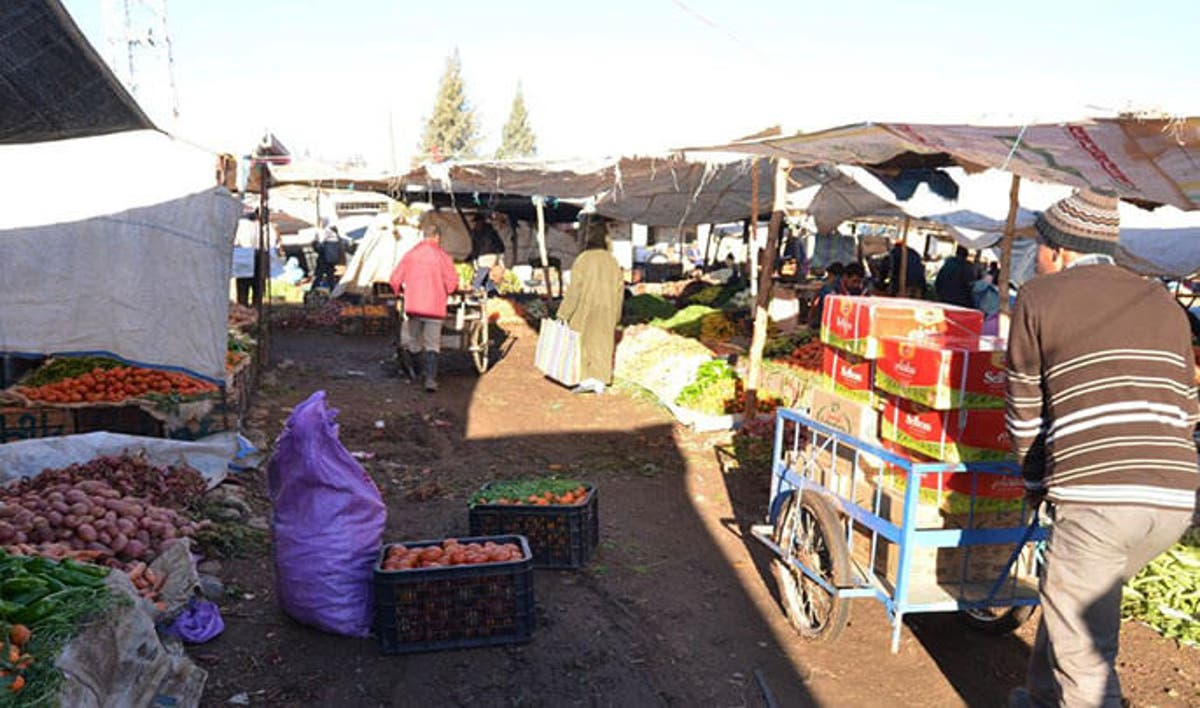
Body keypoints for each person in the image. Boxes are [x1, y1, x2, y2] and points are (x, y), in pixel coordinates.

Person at [1006, 189, 1198, 708]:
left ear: (1061, 249)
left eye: (1040, 247)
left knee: (1086, 653)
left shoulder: (1038, 297)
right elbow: (1190, 407)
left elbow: (1025, 410)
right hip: (1174, 499)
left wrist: (1032, 482)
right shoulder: (1163, 302)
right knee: (1073, 600)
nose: (1037, 258)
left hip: (1099, 497)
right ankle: (1040, 697)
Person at [389, 219, 459, 392]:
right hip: (435, 308)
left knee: (414, 341)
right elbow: (452, 283)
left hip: (414, 306)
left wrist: (398, 292)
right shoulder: (442, 257)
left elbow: (395, 279)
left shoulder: (411, 254)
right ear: (437, 237)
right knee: (432, 344)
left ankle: (417, 373)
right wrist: (448, 291)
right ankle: (430, 379)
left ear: (423, 236)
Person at [557, 219, 625, 394]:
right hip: (608, 308)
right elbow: (620, 291)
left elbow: (574, 290)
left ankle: (586, 379)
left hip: (585, 308)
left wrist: (563, 313)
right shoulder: (613, 261)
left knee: (584, 342)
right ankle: (600, 381)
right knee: (603, 342)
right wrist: (617, 315)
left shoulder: (583, 259)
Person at [808, 262, 865, 327]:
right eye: (854, 281)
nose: (856, 285)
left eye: (859, 282)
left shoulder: (857, 290)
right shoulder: (831, 289)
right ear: (845, 277)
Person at [467, 211, 506, 295]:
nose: (477, 224)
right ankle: (492, 293)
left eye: (478, 222)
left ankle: (475, 291)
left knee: (480, 276)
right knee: (487, 278)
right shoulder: (490, 230)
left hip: (487, 256)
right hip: (488, 256)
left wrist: (472, 257)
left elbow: (477, 247)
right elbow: (500, 245)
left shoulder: (484, 232)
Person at [311, 220, 344, 290]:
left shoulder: (327, 237)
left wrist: (314, 242)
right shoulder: (338, 240)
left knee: (319, 277)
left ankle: (312, 291)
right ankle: (334, 291)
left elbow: (319, 249)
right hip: (332, 262)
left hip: (324, 261)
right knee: (330, 278)